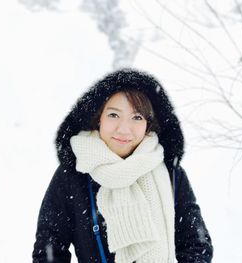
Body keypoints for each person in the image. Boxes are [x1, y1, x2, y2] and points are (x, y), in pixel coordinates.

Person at [32, 68, 213, 263]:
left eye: (137, 117)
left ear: (149, 124)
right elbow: (49, 249)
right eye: (113, 115)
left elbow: (197, 244)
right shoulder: (74, 173)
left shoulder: (170, 173)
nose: (124, 129)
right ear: (97, 118)